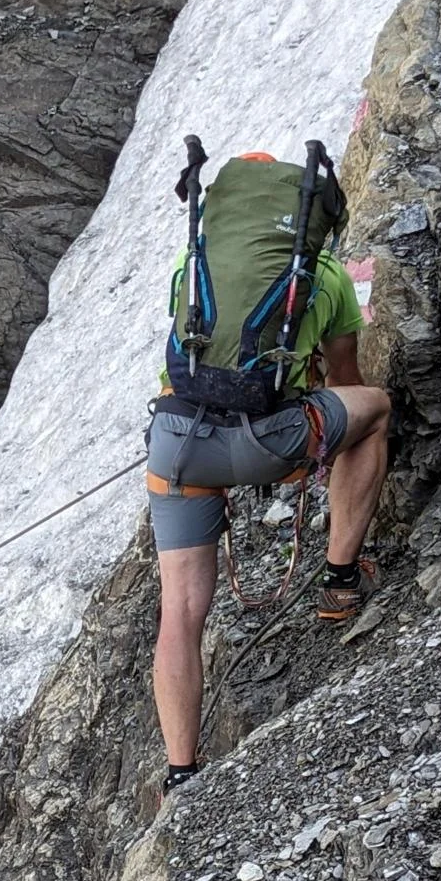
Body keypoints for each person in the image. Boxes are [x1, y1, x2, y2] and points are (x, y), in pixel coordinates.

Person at [148, 146, 391, 797]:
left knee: (180, 612)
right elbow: (347, 382)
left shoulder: (189, 267)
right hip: (268, 439)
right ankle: (339, 580)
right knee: (375, 413)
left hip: (176, 443)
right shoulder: (325, 275)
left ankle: (181, 773)